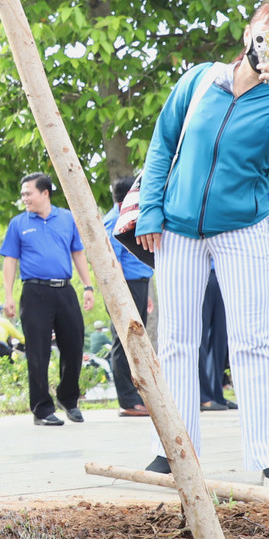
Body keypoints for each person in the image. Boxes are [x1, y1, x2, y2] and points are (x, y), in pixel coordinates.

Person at [135, 0, 269, 488]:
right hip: (177, 227)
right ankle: (172, 449)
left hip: (242, 229)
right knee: (176, 341)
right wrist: (151, 210)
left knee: (252, 341)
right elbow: (163, 143)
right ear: (248, 32)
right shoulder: (201, 80)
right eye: (268, 32)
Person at [0, 173, 96, 426]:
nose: (24, 198)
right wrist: (8, 295)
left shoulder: (66, 218)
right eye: (23, 194)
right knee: (38, 352)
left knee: (74, 346)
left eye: (28, 193)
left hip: (65, 291)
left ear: (45, 193)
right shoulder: (18, 224)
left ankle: (69, 399)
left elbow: (78, 252)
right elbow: (10, 260)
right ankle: (42, 409)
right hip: (34, 293)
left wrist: (88, 286)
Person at [102, 175, 151, 417]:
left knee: (138, 341)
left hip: (139, 284)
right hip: (125, 287)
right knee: (124, 342)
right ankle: (127, 401)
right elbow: (113, 263)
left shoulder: (130, 217)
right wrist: (122, 295)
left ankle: (139, 396)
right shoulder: (113, 221)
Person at [197, 268, 234, 411]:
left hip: (222, 272)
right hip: (200, 272)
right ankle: (203, 396)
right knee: (200, 337)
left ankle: (216, 394)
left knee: (220, 339)